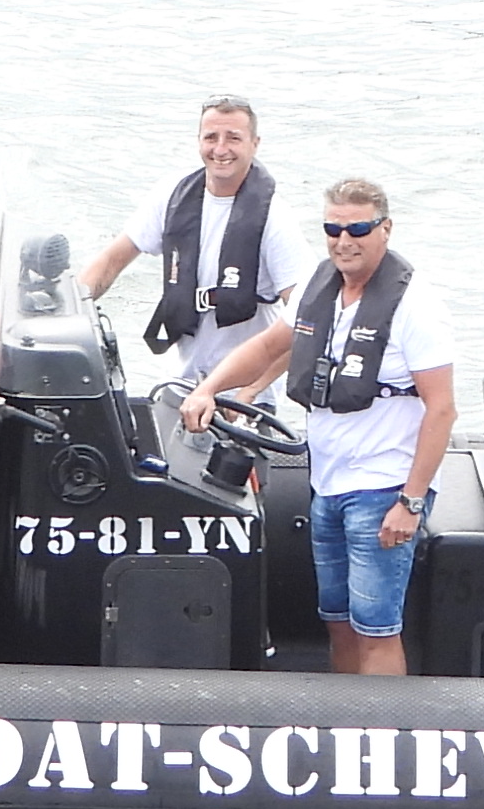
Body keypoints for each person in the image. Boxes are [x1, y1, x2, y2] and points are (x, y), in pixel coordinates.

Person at [184, 177, 455, 677]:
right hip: (327, 482)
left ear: (385, 229)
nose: (344, 241)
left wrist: (411, 502)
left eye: (358, 229)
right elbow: (269, 347)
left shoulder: (417, 307)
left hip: (383, 487)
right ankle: (346, 715)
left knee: (376, 629)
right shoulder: (318, 286)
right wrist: (211, 388)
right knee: (339, 622)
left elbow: (442, 410)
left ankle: (381, 721)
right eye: (333, 229)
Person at [80, 97, 297, 381]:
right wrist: (72, 309)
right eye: (211, 137)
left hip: (242, 393)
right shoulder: (171, 195)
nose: (221, 149)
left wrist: (252, 390)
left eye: (233, 138)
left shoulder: (274, 217)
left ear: (254, 144)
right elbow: (111, 261)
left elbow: (306, 317)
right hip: (182, 381)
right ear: (198, 141)